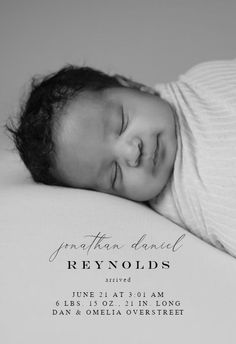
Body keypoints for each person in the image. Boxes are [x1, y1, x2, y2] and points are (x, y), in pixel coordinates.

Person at [5, 59, 236, 258]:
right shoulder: (181, 204)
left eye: (122, 122)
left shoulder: (201, 80)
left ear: (133, 85)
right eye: (114, 173)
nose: (132, 153)